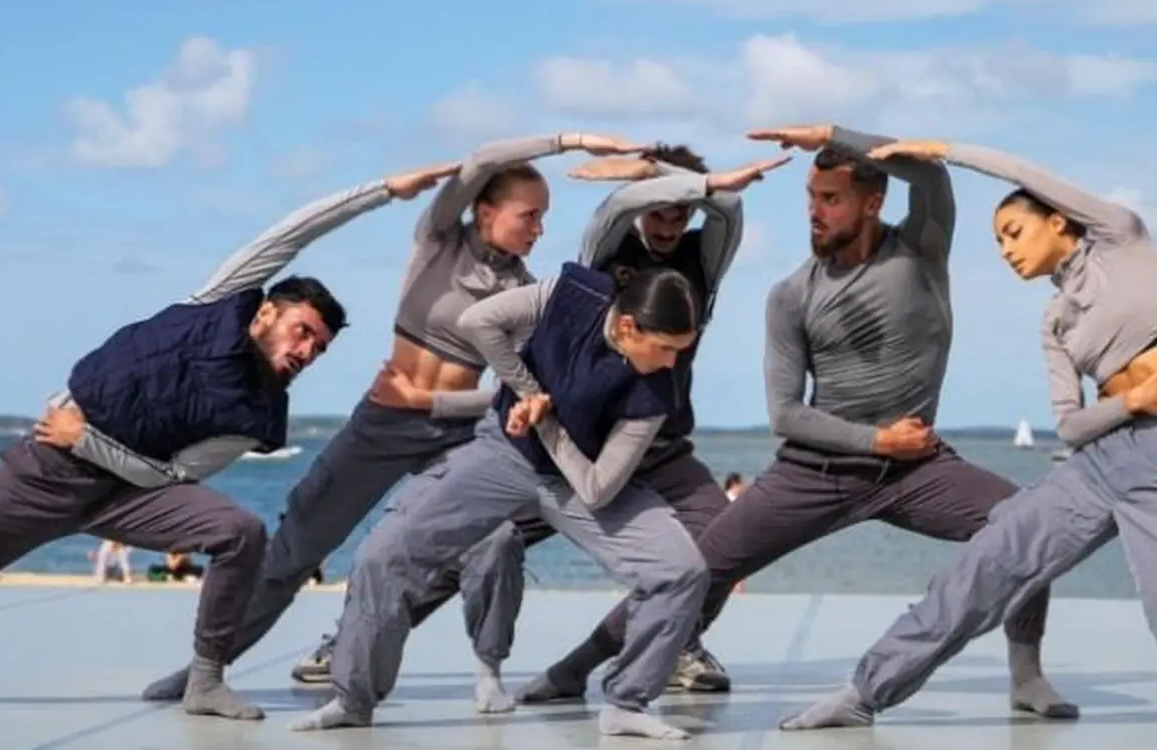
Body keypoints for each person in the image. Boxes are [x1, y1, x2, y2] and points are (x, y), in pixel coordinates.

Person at [140, 132, 648, 706]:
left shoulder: (526, 293)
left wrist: (433, 404)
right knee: (293, 549)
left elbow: (525, 393)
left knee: (497, 539)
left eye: (543, 218)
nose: (539, 229)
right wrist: (571, 141)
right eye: (529, 215)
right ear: (485, 211)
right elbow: (481, 160)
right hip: (380, 424)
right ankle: (205, 670)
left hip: (457, 432)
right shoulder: (439, 239)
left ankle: (489, 672)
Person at [0, 162, 456, 720]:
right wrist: (387, 191)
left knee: (238, 531)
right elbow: (296, 230)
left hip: (126, 490)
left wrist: (87, 441)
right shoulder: (222, 297)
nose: (306, 351)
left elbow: (168, 477)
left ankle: (206, 681)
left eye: (318, 349)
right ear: (267, 311)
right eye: (303, 332)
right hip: (48, 471)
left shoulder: (259, 416)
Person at [287, 144, 791, 696]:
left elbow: (731, 208)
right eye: (659, 209)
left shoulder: (704, 258)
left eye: (680, 212)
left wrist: (675, 177)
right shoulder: (608, 247)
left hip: (658, 439)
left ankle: (677, 645)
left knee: (723, 538)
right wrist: (651, 178)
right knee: (467, 540)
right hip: (564, 441)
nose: (669, 223)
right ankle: (352, 640)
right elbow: (618, 203)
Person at [660, 123, 1076, 722]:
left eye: (830, 197)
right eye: (811, 197)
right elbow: (784, 414)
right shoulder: (790, 293)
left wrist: (834, 132)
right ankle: (591, 665)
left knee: (1027, 524)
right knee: (698, 569)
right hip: (816, 469)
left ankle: (1027, 675)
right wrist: (877, 439)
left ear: (873, 201)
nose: (814, 210)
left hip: (915, 470)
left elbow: (931, 173)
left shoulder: (920, 253)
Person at [779, 138, 1157, 730]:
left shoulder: (1122, 238)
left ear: (1058, 220)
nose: (1006, 250)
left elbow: (1025, 166)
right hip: (1101, 459)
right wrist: (1132, 399)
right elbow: (1070, 423)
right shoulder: (1054, 319)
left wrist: (947, 152)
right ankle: (864, 691)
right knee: (988, 561)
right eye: (997, 241)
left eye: (1014, 231)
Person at [290, 263, 705, 739]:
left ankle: (627, 702)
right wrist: (527, 390)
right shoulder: (571, 295)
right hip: (502, 454)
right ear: (628, 326)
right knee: (383, 555)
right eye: (666, 348)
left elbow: (596, 488)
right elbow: (477, 322)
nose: (673, 362)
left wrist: (544, 421)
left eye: (682, 350)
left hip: (575, 481)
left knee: (680, 569)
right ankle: (352, 698)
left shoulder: (657, 388)